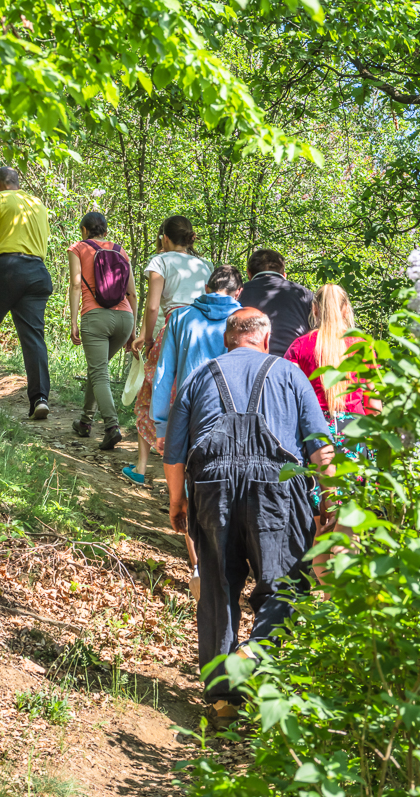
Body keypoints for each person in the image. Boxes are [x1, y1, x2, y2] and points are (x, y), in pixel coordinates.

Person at [163, 308, 334, 727]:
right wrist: (331, 498)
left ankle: (224, 699)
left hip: (211, 485)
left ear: (227, 340)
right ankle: (256, 652)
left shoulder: (200, 375)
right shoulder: (290, 374)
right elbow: (320, 446)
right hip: (277, 488)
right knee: (286, 584)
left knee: (218, 586)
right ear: (267, 336)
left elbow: (174, 451)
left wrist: (176, 501)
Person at [284, 283, 381, 588]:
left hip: (315, 442)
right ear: (345, 309)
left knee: (320, 529)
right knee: (348, 528)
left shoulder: (299, 347)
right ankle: (342, 609)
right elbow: (375, 405)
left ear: (313, 309)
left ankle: (326, 599)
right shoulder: (361, 346)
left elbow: (287, 401)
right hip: (355, 439)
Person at [122, 216, 212, 486]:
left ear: (165, 237)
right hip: (201, 335)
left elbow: (152, 307)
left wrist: (146, 338)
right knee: (191, 397)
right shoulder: (206, 265)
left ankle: (140, 467)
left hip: (171, 331)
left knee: (150, 392)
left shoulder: (160, 262)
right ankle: (188, 476)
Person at [0, 166, 52, 419]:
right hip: (38, 272)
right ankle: (40, 399)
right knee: (33, 338)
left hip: (7, 270)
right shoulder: (37, 203)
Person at [152, 265, 243, 454]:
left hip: (189, 410)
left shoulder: (180, 317)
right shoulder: (246, 320)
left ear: (206, 288)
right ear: (238, 292)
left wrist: (161, 425)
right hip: (234, 412)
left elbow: (164, 372)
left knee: (188, 470)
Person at [67, 212, 138, 450]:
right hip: (125, 318)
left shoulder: (78, 248)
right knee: (97, 369)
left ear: (84, 230)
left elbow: (76, 283)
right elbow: (132, 294)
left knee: (98, 373)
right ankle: (85, 422)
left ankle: (111, 426)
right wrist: (133, 331)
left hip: (96, 316)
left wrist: (74, 320)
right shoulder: (121, 251)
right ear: (106, 232)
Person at [239, 248, 314, 356]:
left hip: (248, 364)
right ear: (284, 275)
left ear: (248, 273)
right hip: (292, 364)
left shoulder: (237, 294)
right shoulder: (305, 295)